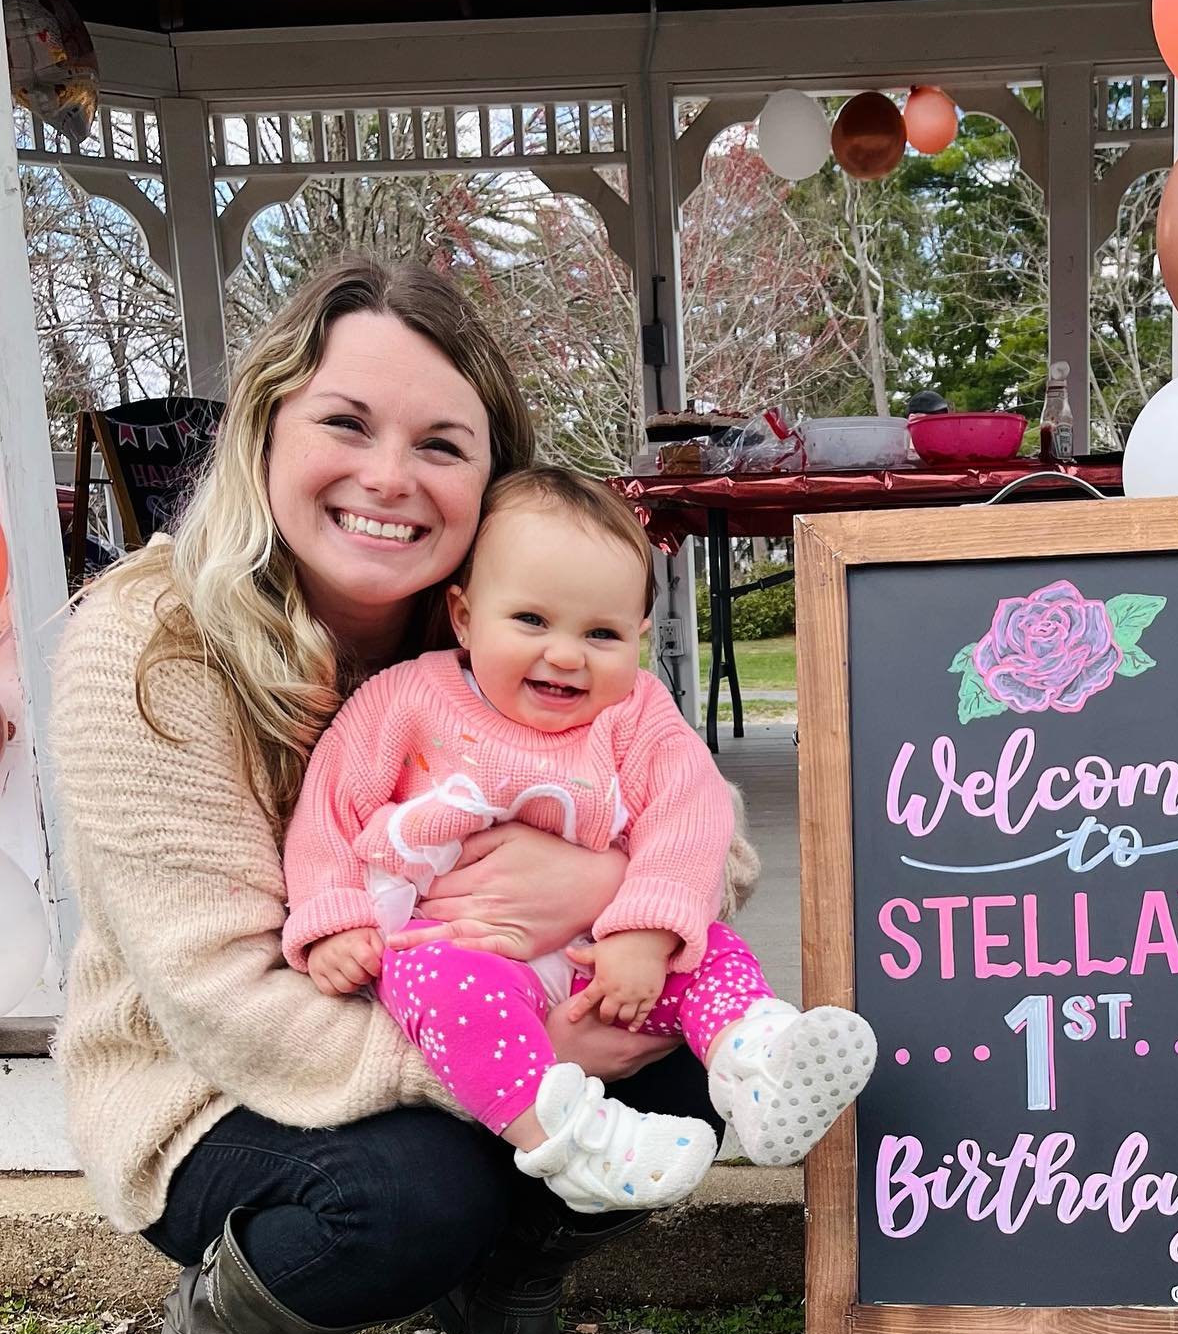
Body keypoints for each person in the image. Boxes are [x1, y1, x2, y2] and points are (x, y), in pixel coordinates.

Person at [48, 256, 760, 1334]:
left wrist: (605, 889)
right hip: (222, 1078)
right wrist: (518, 1067)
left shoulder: (514, 627)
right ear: (266, 430)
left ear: (492, 489)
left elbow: (706, 830)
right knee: (415, 1190)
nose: (389, 477)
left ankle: (500, 1293)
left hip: (493, 1010)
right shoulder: (140, 651)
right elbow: (220, 1003)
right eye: (345, 423)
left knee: (690, 1062)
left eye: (441, 443)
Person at [281, 466, 876, 1211]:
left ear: (637, 638)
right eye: (531, 621)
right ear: (464, 618)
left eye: (601, 633)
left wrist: (646, 932)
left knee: (714, 952)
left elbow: (689, 817)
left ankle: (757, 1063)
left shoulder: (636, 712)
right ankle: (572, 1141)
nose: (566, 655)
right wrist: (334, 921)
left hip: (603, 958)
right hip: (464, 952)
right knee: (443, 988)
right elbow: (328, 811)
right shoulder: (405, 699)